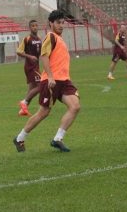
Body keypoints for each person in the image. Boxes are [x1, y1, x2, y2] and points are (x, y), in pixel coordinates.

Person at [13, 10, 81, 153]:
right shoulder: (50, 36)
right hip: (51, 81)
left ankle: (58, 139)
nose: (61, 25)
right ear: (51, 23)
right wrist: (50, 77)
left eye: (63, 23)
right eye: (58, 23)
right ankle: (19, 138)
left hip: (64, 81)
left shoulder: (59, 38)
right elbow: (43, 56)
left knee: (75, 106)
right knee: (43, 112)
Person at [16, 20, 42, 117]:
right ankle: (24, 102)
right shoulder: (27, 39)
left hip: (36, 66)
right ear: (30, 28)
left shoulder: (39, 39)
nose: (35, 27)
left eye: (36, 25)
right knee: (41, 86)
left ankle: (23, 110)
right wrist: (30, 56)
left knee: (32, 88)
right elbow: (19, 51)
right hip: (30, 67)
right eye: (33, 26)